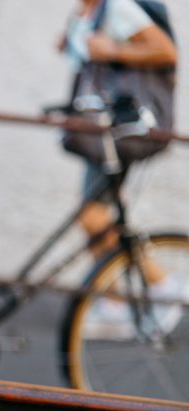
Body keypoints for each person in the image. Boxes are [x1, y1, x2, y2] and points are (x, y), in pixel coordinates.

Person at [60, 0, 182, 336]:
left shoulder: (119, 7)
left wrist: (112, 48)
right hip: (98, 132)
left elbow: (165, 51)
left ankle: (163, 286)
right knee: (96, 217)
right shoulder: (91, 9)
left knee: (94, 217)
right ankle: (113, 304)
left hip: (117, 133)